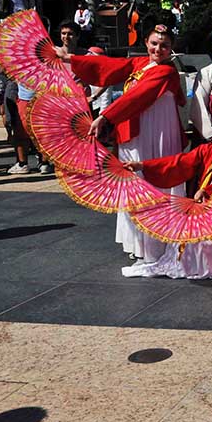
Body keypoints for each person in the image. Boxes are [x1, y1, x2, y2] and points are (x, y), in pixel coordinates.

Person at [64, 22, 186, 263]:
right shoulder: (140, 63)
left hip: (157, 133)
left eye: (164, 45)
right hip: (135, 132)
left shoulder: (167, 71)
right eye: (154, 43)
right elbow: (110, 66)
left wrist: (105, 116)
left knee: (154, 184)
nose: (158, 49)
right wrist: (70, 58)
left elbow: (137, 96)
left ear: (171, 49)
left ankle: (156, 246)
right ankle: (138, 243)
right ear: (146, 44)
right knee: (133, 185)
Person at [120, 106, 212, 279]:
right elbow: (180, 162)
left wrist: (207, 191)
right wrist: (143, 165)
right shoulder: (208, 150)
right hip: (207, 206)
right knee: (190, 244)